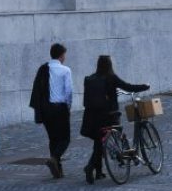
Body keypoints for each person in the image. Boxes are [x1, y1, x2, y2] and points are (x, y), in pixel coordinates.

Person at [80, 53, 148, 182]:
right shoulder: (111, 77)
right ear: (110, 64)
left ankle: (98, 171)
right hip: (108, 116)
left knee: (99, 143)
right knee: (112, 138)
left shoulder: (90, 79)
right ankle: (92, 167)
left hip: (91, 117)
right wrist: (145, 86)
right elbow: (128, 87)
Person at [31, 44, 74, 179]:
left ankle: (58, 170)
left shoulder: (43, 69)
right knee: (65, 138)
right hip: (60, 107)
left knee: (53, 139)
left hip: (46, 108)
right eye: (64, 55)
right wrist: (68, 106)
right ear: (61, 55)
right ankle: (54, 158)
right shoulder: (65, 70)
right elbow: (69, 91)